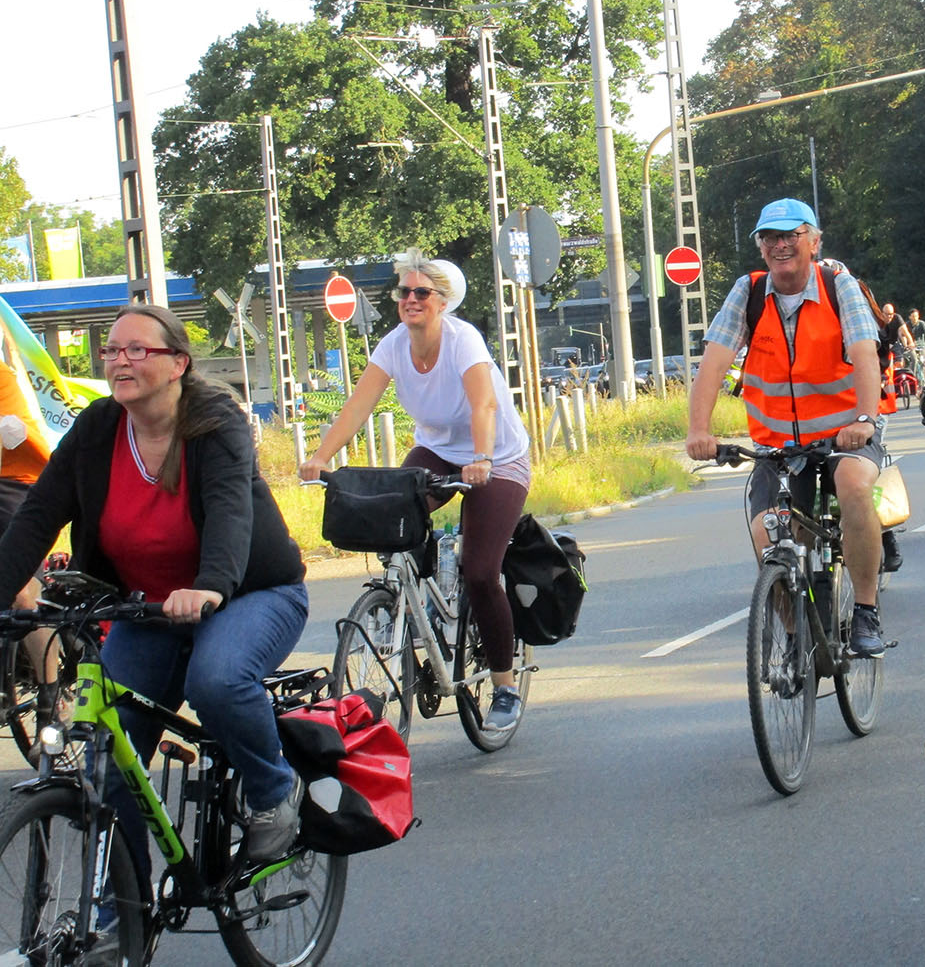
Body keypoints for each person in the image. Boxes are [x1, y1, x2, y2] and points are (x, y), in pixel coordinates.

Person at [0, 304, 310, 876]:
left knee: (215, 680)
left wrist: (211, 587)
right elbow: (37, 516)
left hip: (250, 594)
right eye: (112, 350)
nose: (120, 360)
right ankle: (121, 916)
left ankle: (273, 790)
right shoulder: (97, 429)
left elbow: (228, 514)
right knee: (109, 764)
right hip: (149, 607)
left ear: (177, 364)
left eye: (137, 349)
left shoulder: (215, 424)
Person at [300, 249, 532, 730]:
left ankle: (505, 686)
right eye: (403, 291)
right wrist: (321, 458)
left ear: (442, 302)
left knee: (481, 571)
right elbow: (357, 407)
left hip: (498, 457)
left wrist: (483, 459)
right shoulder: (392, 346)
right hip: (438, 452)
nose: (410, 299)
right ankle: (415, 599)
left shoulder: (462, 340)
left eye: (421, 292)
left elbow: (483, 405)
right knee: (388, 520)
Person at [685, 198, 887, 657]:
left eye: (790, 236)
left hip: (843, 433)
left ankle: (866, 611)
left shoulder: (840, 286)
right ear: (760, 247)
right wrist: (700, 429)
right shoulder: (749, 292)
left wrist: (864, 419)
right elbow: (714, 362)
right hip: (777, 443)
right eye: (769, 238)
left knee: (854, 486)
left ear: (813, 242)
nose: (780, 246)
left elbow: (864, 355)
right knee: (765, 534)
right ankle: (797, 636)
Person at [0, 362, 63, 743]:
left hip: (11, 481)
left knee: (19, 586)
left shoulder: (2, 378)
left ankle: (50, 694)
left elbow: (13, 434)